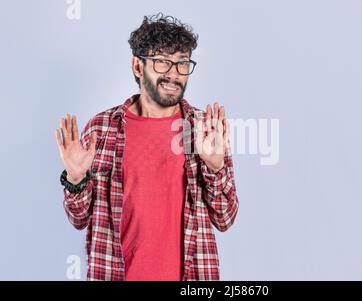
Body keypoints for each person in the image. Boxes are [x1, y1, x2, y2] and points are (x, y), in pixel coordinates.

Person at [55, 13, 239, 281]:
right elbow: (79, 219)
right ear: (138, 67)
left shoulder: (204, 129)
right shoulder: (102, 129)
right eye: (162, 62)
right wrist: (75, 178)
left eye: (182, 64)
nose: (174, 75)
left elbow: (225, 219)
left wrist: (216, 167)